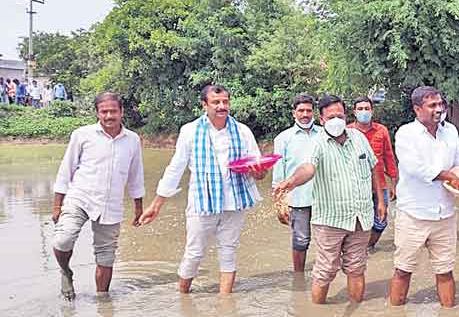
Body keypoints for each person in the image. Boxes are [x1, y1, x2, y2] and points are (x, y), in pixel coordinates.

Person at [139, 85, 268, 295]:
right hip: (202, 202)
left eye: (225, 102)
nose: (221, 106)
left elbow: (259, 169)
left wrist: (259, 172)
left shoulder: (243, 131)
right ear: (204, 105)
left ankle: (225, 303)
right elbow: (175, 168)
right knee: (194, 253)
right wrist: (156, 205)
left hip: (235, 201)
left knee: (229, 251)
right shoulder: (190, 131)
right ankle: (183, 297)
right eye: (216, 102)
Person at [274, 95, 386, 304]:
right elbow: (308, 168)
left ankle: (357, 311)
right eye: (331, 117)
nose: (336, 120)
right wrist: (291, 182)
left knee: (357, 267)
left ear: (346, 116)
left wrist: (380, 200)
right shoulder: (317, 143)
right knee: (325, 270)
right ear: (322, 119)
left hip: (360, 217)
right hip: (330, 220)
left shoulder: (359, 138)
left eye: (340, 116)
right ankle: (316, 315)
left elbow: (373, 168)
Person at [52, 92, 145, 298]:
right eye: (104, 112)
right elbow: (66, 170)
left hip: (110, 203)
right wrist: (57, 205)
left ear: (121, 112)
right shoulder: (82, 135)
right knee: (62, 240)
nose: (109, 116)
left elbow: (136, 176)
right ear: (97, 113)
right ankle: (66, 271)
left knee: (106, 256)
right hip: (80, 198)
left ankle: (103, 301)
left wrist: (138, 208)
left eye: (113, 111)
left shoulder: (132, 140)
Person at [387, 86, 459, 307]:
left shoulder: (450, 131)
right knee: (403, 270)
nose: (439, 109)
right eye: (432, 105)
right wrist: (448, 175)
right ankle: (396, 316)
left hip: (445, 214)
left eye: (440, 104)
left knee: (445, 271)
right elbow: (414, 168)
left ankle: (449, 315)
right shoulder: (406, 134)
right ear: (417, 109)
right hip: (413, 214)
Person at [271, 94, 322, 272]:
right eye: (301, 111)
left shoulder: (324, 134)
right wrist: (279, 202)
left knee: (328, 239)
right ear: (294, 113)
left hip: (324, 197)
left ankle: (324, 273)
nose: (305, 114)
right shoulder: (283, 138)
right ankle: (298, 276)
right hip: (298, 198)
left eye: (308, 110)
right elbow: (279, 173)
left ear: (314, 112)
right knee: (301, 241)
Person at [347, 95, 398, 250]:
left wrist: (394, 184)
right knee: (355, 222)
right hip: (354, 186)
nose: (364, 111)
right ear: (354, 112)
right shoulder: (347, 131)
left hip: (379, 185)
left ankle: (369, 246)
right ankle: (355, 250)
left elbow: (389, 157)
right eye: (360, 109)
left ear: (372, 111)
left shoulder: (381, 131)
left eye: (367, 108)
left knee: (381, 221)